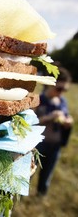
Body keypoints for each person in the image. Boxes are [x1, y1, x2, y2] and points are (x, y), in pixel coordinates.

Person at [35, 66, 73, 196]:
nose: (61, 93)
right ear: (49, 84)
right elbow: (30, 123)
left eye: (65, 90)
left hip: (55, 146)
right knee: (29, 173)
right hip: (38, 145)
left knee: (47, 174)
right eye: (59, 89)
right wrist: (48, 118)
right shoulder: (38, 100)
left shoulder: (62, 102)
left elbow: (66, 118)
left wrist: (68, 123)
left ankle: (40, 196)